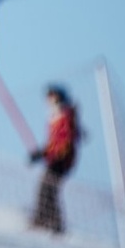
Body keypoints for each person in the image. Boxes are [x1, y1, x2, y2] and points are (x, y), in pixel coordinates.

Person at [29, 84, 79, 234]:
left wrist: (60, 154)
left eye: (52, 97)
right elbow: (53, 143)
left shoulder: (66, 116)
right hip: (55, 158)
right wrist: (42, 153)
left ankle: (51, 222)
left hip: (61, 160)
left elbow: (66, 140)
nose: (49, 101)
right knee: (46, 187)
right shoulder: (55, 117)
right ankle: (44, 218)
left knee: (48, 187)